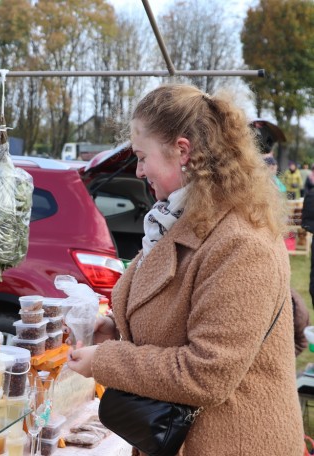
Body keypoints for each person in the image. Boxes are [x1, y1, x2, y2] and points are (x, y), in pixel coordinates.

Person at [67, 84, 302, 455]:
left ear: (182, 151)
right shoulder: (179, 221)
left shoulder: (241, 243)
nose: (140, 170)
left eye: (143, 157)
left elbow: (207, 374)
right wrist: (115, 330)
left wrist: (107, 360)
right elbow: (172, 318)